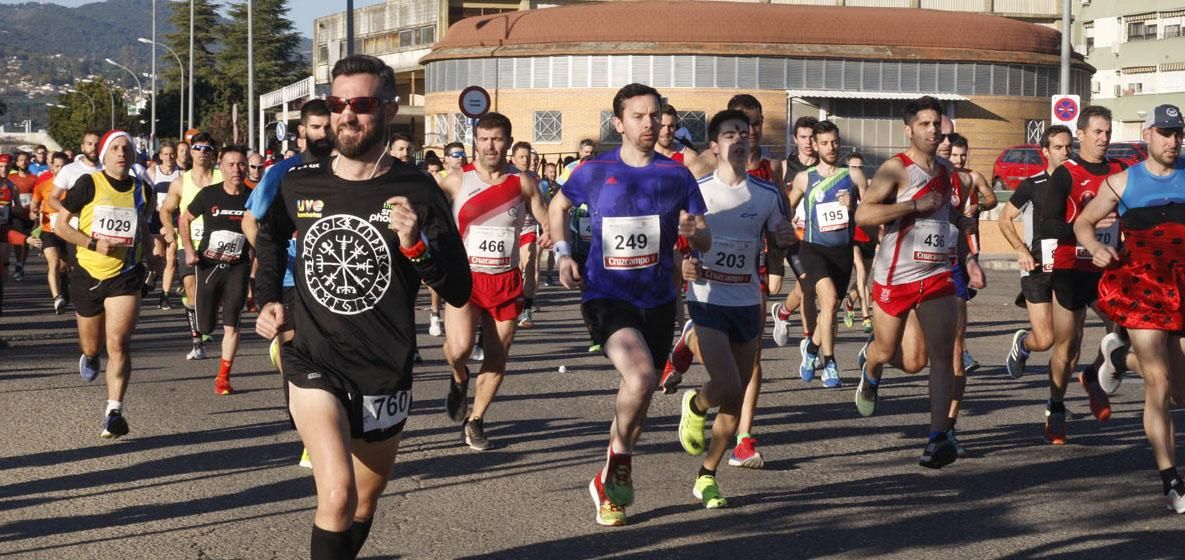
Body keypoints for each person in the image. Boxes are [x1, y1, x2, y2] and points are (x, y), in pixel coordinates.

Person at [254, 54, 470, 559]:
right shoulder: (299, 182)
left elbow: (458, 288)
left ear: (389, 110)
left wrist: (415, 245)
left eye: (362, 104)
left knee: (363, 502)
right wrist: (268, 300)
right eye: (337, 104)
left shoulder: (418, 190)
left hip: (384, 367)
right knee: (337, 493)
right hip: (312, 357)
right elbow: (269, 239)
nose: (347, 115)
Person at [548, 83, 709, 526]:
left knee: (640, 392)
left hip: (656, 299)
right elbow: (557, 206)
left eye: (655, 115)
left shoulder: (677, 175)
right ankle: (619, 463)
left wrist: (697, 232)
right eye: (638, 116)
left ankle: (608, 476)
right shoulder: (593, 171)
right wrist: (562, 253)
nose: (650, 123)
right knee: (638, 375)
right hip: (606, 295)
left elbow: (704, 236)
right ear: (618, 123)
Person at [674, 109, 794, 508]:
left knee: (736, 396)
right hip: (707, 299)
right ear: (715, 145)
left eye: (744, 133)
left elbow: (781, 238)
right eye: (729, 134)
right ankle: (694, 403)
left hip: (747, 299)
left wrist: (783, 237)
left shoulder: (766, 194)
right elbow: (677, 238)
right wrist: (683, 263)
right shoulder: (699, 190)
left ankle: (706, 475)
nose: (739, 139)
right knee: (724, 384)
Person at [1075, 103, 1185, 512]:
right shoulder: (1123, 182)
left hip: (1183, 285)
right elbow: (1083, 223)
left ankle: (1118, 357)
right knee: (1158, 381)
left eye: (1178, 134)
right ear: (1148, 137)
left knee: (1179, 391)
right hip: (1143, 286)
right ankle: (1171, 479)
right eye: (1165, 133)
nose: (1173, 142)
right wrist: (1096, 247)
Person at [853, 96, 965, 469]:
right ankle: (870, 368)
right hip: (893, 278)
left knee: (939, 355)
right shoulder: (895, 169)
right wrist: (913, 206)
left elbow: (953, 221)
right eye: (924, 124)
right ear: (909, 129)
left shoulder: (949, 172)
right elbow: (864, 214)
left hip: (935, 275)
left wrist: (969, 258)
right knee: (895, 355)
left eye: (937, 124)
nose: (933, 130)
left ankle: (938, 437)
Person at [439, 115, 550, 450]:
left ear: (508, 141)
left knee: (498, 355)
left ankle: (476, 419)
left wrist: (552, 236)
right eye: (484, 139)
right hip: (466, 281)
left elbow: (547, 218)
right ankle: (459, 377)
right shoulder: (455, 182)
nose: (490, 146)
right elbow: (427, 213)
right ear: (475, 141)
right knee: (458, 349)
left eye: (497, 139)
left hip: (505, 281)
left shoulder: (523, 183)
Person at [53, 130, 153, 439]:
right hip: (87, 272)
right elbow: (61, 225)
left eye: (127, 148)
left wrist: (153, 256)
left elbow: (144, 230)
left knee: (119, 342)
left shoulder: (143, 191)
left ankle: (114, 411)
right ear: (105, 155)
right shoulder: (88, 184)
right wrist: (93, 244)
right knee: (93, 346)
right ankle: (91, 356)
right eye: (115, 148)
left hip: (126, 274)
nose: (122, 153)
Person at [1033, 105, 1122, 444]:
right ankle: (1055, 407)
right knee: (1066, 346)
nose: (1104, 138)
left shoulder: (1119, 170)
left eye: (1108, 131)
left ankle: (1093, 377)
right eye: (1098, 131)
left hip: (1107, 268)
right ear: (1081, 134)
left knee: (1123, 331)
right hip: (1071, 266)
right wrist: (1086, 225)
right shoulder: (1066, 173)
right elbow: (1048, 224)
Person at [787, 120, 864, 388]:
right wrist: (785, 234)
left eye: (834, 142)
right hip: (812, 249)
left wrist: (853, 206)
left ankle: (810, 350)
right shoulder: (805, 178)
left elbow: (868, 214)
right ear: (816, 146)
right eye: (824, 143)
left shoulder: (853, 176)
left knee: (831, 308)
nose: (831, 147)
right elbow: (786, 209)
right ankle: (829, 363)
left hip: (842, 252)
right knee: (829, 301)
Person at [1000, 125, 1073, 379]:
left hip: (1068, 266)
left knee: (1070, 338)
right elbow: (1004, 218)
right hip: (1037, 266)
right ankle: (1023, 345)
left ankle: (1058, 394)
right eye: (1058, 147)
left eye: (1069, 146)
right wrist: (1022, 251)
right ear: (1045, 151)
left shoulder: (1075, 182)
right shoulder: (1032, 185)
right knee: (1044, 339)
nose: (1065, 152)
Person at [180, 145, 253, 395]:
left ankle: (223, 377)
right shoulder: (209, 195)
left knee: (232, 322)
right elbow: (185, 219)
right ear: (220, 167)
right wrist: (189, 250)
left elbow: (260, 234)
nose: (236, 169)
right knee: (207, 326)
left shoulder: (253, 197)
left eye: (241, 164)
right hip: (208, 265)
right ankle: (201, 326)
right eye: (231, 164)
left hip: (238, 267)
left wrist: (256, 268)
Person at [159, 133, 223, 361]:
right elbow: (166, 209)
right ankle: (197, 341)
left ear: (213, 153)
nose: (202, 152)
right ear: (191, 152)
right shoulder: (180, 181)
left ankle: (207, 318)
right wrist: (168, 230)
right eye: (197, 148)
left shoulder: (222, 177)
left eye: (207, 149)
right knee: (190, 286)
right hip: (188, 242)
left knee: (213, 293)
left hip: (219, 244)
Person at [770, 116, 821, 345]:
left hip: (818, 236)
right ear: (795, 139)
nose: (808, 142)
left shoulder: (825, 168)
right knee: (802, 285)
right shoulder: (782, 167)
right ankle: (808, 341)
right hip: (791, 236)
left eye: (812, 137)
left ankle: (784, 312)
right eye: (803, 137)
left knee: (808, 287)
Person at [509, 140, 546, 328]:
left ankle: (527, 310)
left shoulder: (536, 179)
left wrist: (548, 229)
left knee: (529, 265)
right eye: (522, 156)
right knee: (515, 269)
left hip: (529, 229)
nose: (526, 160)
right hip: (510, 231)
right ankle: (513, 302)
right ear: (513, 159)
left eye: (528, 157)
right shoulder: (507, 177)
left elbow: (543, 205)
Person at [30, 151, 72, 313]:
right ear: (51, 168)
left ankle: (64, 288)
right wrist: (34, 212)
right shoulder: (43, 186)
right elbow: (33, 208)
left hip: (69, 231)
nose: (60, 169)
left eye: (63, 166)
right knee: (53, 263)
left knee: (65, 267)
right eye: (57, 166)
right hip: (49, 230)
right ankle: (57, 297)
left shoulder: (74, 187)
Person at [842, 152, 876, 334]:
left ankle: (849, 303)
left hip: (869, 238)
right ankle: (866, 317)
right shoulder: (843, 189)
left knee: (862, 281)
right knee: (861, 274)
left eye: (860, 167)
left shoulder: (872, 188)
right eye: (853, 167)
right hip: (853, 237)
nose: (857, 171)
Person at [148, 142, 183, 309]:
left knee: (171, 259)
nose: (169, 157)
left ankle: (165, 295)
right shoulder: (152, 172)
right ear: (160, 156)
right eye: (165, 154)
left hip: (173, 219)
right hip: (155, 219)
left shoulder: (181, 174)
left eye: (171, 154)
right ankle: (154, 274)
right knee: (158, 257)